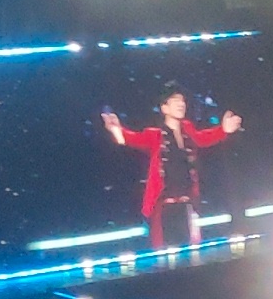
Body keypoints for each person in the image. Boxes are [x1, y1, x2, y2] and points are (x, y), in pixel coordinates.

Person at [101, 83, 242, 248]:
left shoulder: (188, 130)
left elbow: (203, 138)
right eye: (175, 100)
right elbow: (130, 138)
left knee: (191, 248)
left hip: (187, 204)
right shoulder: (155, 135)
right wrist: (115, 129)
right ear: (164, 108)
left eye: (182, 100)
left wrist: (224, 130)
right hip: (164, 207)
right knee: (165, 249)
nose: (181, 104)